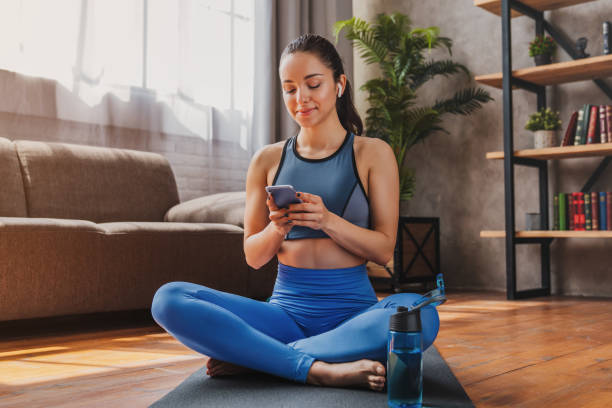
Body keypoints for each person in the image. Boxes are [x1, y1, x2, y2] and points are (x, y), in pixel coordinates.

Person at [151, 33, 440, 392]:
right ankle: (319, 368)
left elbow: (383, 250)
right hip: (284, 314)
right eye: (289, 89)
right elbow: (254, 257)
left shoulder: (372, 153)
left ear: (339, 85)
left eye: (313, 84)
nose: (300, 99)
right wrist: (277, 230)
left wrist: (328, 220)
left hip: (355, 315)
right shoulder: (267, 160)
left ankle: (264, 359)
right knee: (168, 299)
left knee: (419, 312)